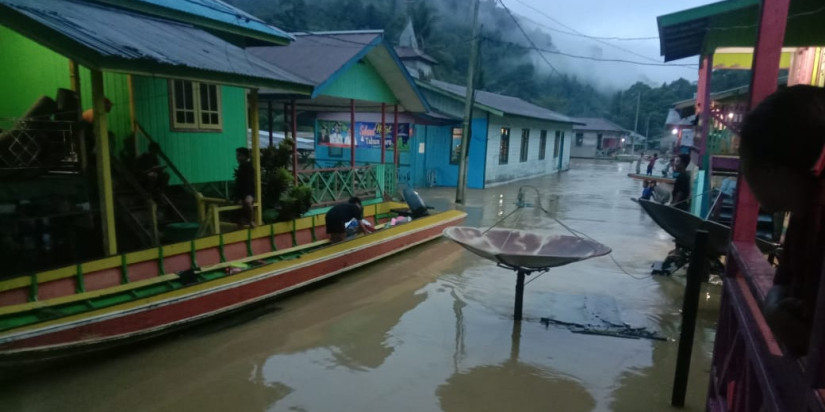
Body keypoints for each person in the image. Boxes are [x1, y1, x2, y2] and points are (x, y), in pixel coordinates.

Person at [738, 85, 825, 356]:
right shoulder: (804, 212)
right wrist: (774, 308)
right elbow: (781, 283)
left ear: (769, 170)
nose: (748, 183)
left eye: (746, 167)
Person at [233, 147, 256, 228]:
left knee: (247, 202)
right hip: (242, 192)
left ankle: (251, 220)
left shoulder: (249, 167)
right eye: (237, 155)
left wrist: (248, 195)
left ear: (245, 156)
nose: (237, 158)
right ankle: (241, 222)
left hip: (248, 192)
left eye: (239, 155)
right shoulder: (241, 168)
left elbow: (248, 183)